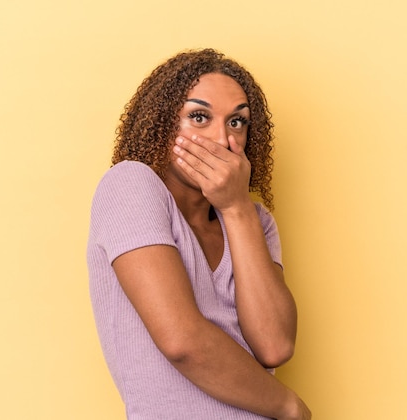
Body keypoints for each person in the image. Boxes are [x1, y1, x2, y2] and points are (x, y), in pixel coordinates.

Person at [87, 48, 311, 420]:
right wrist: (288, 406)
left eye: (237, 122)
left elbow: (274, 346)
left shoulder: (256, 219)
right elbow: (183, 342)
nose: (222, 140)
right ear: (162, 124)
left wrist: (236, 209)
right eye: (199, 117)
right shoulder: (130, 185)